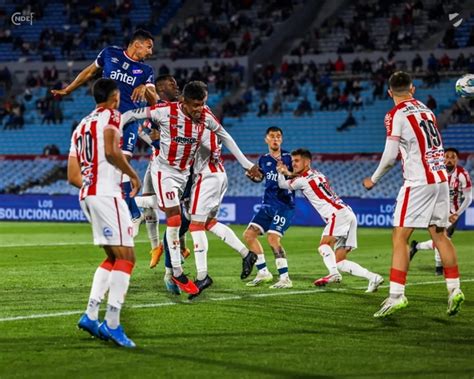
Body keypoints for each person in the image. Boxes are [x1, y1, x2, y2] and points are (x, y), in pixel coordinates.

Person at [122, 81, 261, 295]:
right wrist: (113, 130)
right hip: (165, 171)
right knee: (175, 219)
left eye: (202, 103)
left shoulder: (206, 116)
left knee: (186, 220)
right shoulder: (164, 111)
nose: (199, 109)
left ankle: (132, 208)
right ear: (183, 102)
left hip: (186, 174)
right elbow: (131, 114)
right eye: (195, 105)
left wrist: (248, 165)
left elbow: (225, 135)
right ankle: (176, 272)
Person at [363, 71, 464, 318]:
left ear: (389, 93)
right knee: (440, 236)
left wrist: (373, 179)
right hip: (441, 180)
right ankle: (454, 290)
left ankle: (396, 295)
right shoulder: (427, 110)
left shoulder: (395, 114)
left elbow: (389, 157)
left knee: (400, 237)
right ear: (413, 89)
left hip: (419, 182)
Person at [52, 29, 157, 226]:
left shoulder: (146, 72)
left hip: (128, 123)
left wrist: (145, 88)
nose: (151, 52)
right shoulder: (110, 53)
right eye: (149, 47)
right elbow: (89, 71)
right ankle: (131, 209)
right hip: (106, 120)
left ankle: (133, 213)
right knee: (109, 168)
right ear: (137, 44)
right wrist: (68, 89)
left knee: (120, 164)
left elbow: (154, 99)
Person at [68, 78, 141, 348]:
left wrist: (93, 189)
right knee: (128, 257)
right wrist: (133, 175)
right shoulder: (112, 115)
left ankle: (90, 314)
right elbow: (112, 151)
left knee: (113, 256)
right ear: (115, 97)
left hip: (87, 195)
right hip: (106, 195)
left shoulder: (80, 127)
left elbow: (72, 175)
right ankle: (112, 324)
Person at [277, 149, 383, 291]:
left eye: (297, 161)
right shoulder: (318, 174)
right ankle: (373, 277)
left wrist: (280, 171)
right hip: (347, 213)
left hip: (336, 214)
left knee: (324, 246)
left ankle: (333, 274)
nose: (293, 164)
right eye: (292, 161)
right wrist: (289, 173)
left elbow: (282, 185)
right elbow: (300, 176)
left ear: (307, 161)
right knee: (340, 261)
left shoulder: (300, 181)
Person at [186, 127, 259, 298]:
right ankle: (246, 254)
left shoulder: (197, 127)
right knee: (209, 222)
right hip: (219, 174)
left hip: (206, 177)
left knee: (196, 226)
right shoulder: (211, 126)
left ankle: (202, 276)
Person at [243, 127, 295, 289]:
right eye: (272, 136)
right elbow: (261, 179)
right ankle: (263, 272)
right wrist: (254, 178)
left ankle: (285, 278)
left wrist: (286, 171)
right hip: (267, 205)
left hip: (284, 205)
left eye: (278, 136)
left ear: (282, 140)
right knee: (249, 235)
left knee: (273, 238)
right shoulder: (263, 159)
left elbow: (298, 176)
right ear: (266, 139)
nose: (275, 139)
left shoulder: (289, 158)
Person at [410, 147, 472, 274]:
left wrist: (457, 213)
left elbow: (469, 197)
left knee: (444, 240)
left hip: (452, 213)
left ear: (457, 159)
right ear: (442, 158)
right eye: (447, 156)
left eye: (452, 157)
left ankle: (416, 246)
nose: (449, 160)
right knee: (443, 238)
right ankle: (439, 267)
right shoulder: (435, 172)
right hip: (436, 209)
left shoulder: (462, 174)